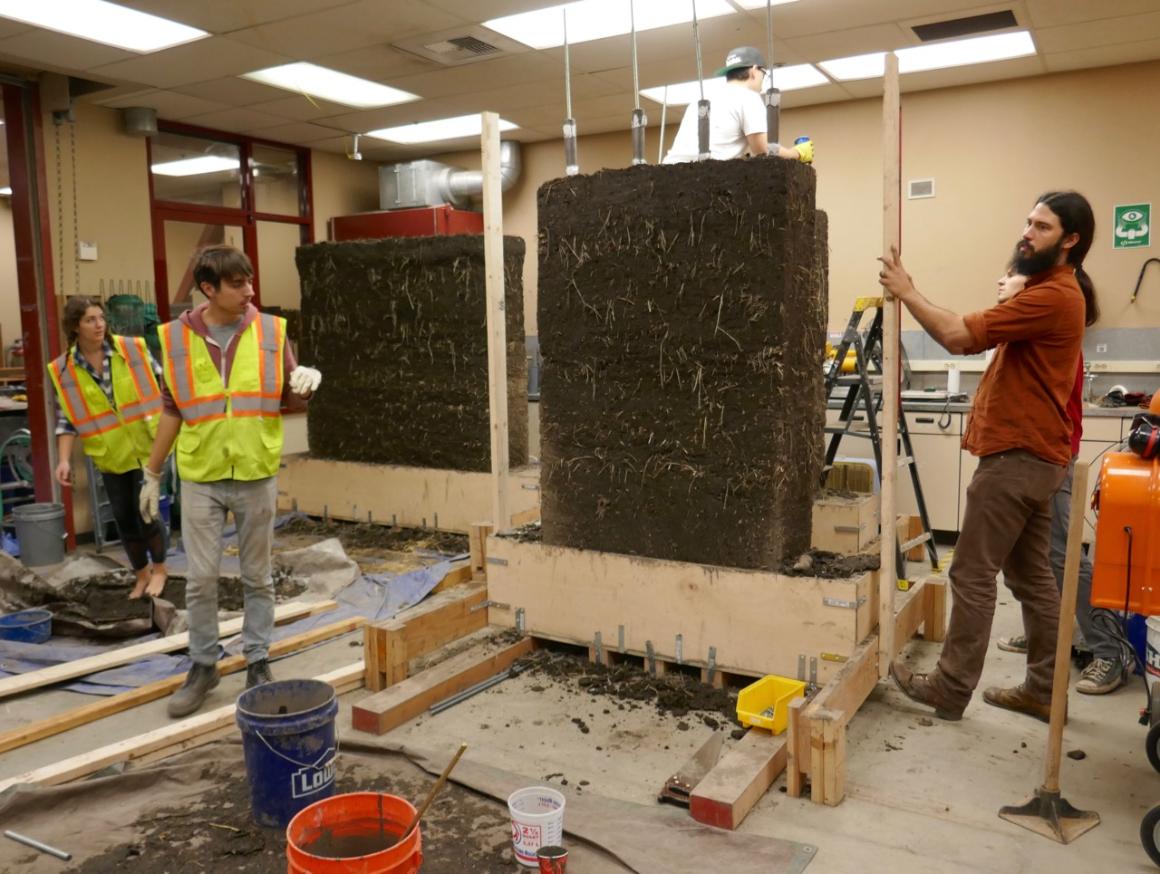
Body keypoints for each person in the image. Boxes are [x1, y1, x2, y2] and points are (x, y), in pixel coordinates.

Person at [879, 191, 1094, 722]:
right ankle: (1044, 691)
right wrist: (1018, 287)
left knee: (971, 573)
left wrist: (907, 292)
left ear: (1070, 241)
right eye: (1027, 222)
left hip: (1017, 458)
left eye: (1042, 227)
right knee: (1031, 579)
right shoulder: (1050, 291)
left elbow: (959, 335)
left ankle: (949, 689)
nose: (1026, 233)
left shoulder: (1055, 297)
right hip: (1039, 457)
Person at [140, 245, 321, 718]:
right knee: (200, 580)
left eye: (249, 281)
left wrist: (306, 381)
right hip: (201, 474)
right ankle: (203, 665)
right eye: (238, 283)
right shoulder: (174, 339)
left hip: (256, 470)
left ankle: (257, 659)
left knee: (257, 577)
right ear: (208, 289)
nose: (250, 291)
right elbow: (172, 408)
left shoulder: (271, 331)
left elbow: (289, 392)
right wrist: (151, 472)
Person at [994, 271, 1128, 694]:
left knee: (1061, 555)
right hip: (1029, 455)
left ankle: (1109, 651)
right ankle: (1048, 637)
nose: (1002, 280)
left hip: (1052, 456)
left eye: (1013, 277)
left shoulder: (1057, 333)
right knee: (1030, 556)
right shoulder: (1033, 331)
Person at [47, 297, 169, 599]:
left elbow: (167, 386)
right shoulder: (63, 369)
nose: (99, 324)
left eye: (101, 318)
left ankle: (161, 570)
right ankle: (141, 574)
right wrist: (63, 460)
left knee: (147, 513)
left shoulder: (133, 350)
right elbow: (66, 420)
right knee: (124, 517)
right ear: (76, 326)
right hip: (111, 455)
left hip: (145, 447)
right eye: (90, 319)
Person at [662, 46, 814, 165]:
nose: (763, 80)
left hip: (669, 174)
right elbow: (763, 150)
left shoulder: (700, 99)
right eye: (764, 74)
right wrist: (797, 153)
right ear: (754, 71)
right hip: (700, 178)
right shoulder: (749, 97)